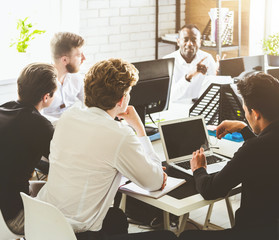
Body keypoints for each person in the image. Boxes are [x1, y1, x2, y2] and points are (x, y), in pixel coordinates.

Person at [37, 58, 176, 240]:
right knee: (168, 236)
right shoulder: (120, 135)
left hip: (43, 222)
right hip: (76, 233)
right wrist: (139, 129)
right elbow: (155, 183)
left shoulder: (69, 116)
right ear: (122, 99)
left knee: (116, 218)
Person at [179, 73, 279, 240]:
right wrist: (243, 128)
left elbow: (211, 190)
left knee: (186, 236)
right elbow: (271, 152)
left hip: (262, 234)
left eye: (245, 111)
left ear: (255, 113)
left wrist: (199, 169)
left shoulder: (254, 149)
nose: (246, 115)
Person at [0, 63, 57, 234]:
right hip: (14, 217)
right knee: (65, 217)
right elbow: (61, 165)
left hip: (2, 209)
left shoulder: (4, 108)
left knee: (38, 186)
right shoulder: (39, 125)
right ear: (46, 97)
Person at [163, 24, 217, 102]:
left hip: (200, 107)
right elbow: (170, 97)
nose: (189, 44)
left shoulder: (207, 58)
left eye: (194, 40)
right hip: (175, 108)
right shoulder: (167, 61)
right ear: (178, 42)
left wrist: (219, 76)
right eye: (185, 40)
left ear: (200, 42)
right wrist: (188, 76)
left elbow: (214, 91)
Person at [42, 32, 86, 120]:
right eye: (79, 55)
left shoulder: (77, 77)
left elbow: (88, 105)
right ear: (64, 60)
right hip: (50, 129)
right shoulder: (41, 81)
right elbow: (35, 115)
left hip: (74, 125)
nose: (84, 58)